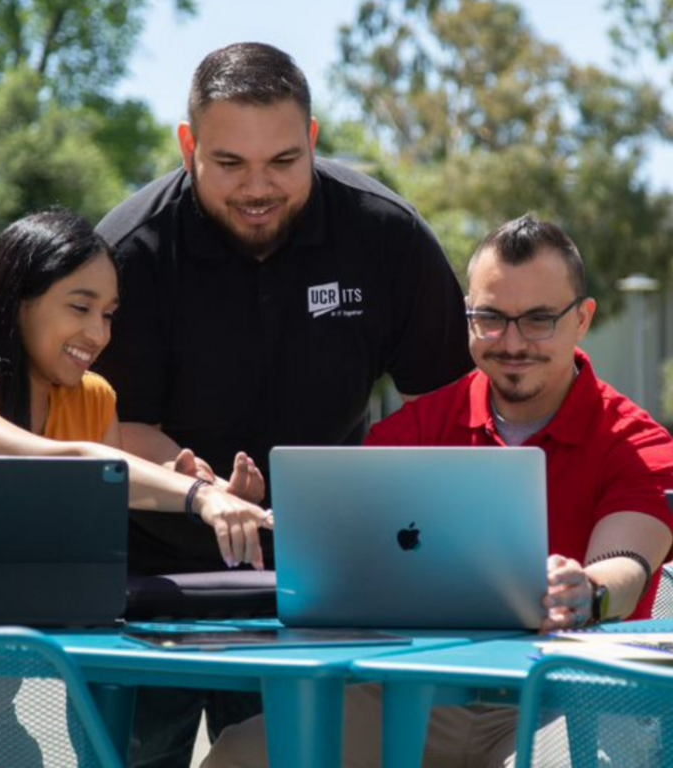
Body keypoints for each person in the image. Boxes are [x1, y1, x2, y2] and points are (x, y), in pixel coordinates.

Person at [93, 41, 474, 767]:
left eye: (283, 162)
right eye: (229, 163)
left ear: (313, 140)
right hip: (145, 584)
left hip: (319, 582)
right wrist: (196, 492)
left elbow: (450, 408)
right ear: (188, 146)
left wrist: (378, 511)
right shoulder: (130, 253)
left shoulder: (385, 235)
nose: (256, 188)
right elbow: (108, 426)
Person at [202, 214, 673, 768]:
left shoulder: (638, 440)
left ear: (582, 320)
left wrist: (586, 591)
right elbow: (343, 559)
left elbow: (628, 562)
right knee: (241, 755)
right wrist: (260, 516)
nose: (513, 342)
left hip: (566, 695)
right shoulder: (414, 430)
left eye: (539, 320)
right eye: (491, 318)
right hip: (414, 691)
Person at [0, 209, 273, 567]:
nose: (99, 335)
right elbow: (72, 465)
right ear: (17, 304)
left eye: (108, 314)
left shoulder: (94, 398)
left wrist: (217, 497)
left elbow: (99, 530)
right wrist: (199, 497)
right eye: (80, 307)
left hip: (66, 622)